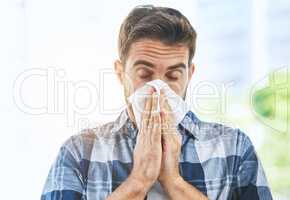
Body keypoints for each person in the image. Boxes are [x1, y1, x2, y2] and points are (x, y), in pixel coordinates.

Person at [41, 5, 273, 200]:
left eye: (173, 76)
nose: (159, 89)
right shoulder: (80, 152)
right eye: (144, 74)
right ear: (120, 72)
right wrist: (138, 180)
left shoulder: (234, 148)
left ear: (189, 75)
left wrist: (174, 182)